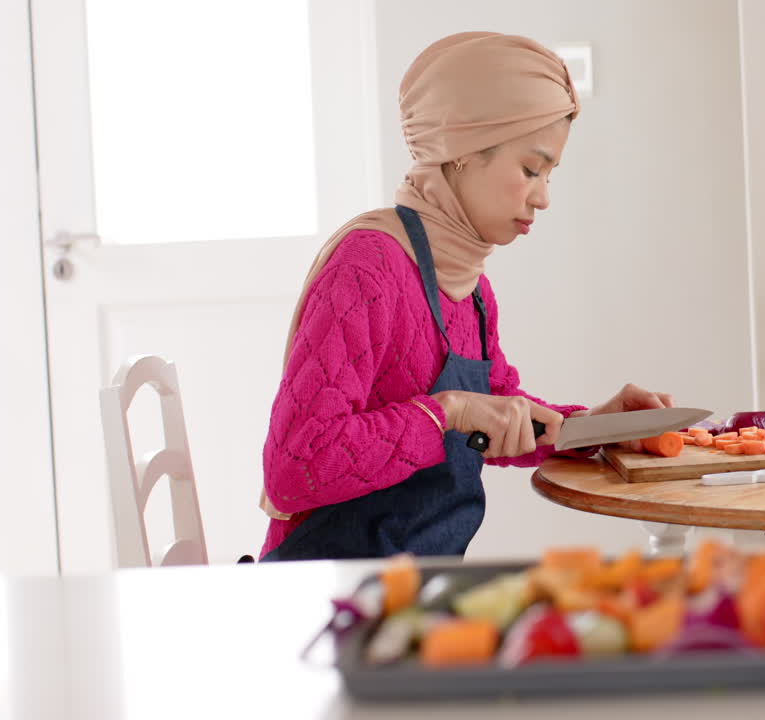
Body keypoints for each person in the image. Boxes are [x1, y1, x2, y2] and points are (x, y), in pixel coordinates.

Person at [257, 32, 672, 561]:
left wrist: (593, 427)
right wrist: (446, 412)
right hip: (325, 590)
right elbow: (295, 469)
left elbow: (498, 413)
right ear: (460, 154)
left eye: (549, 174)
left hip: (412, 585)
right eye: (530, 169)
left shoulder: (468, 288)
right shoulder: (366, 269)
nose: (543, 197)